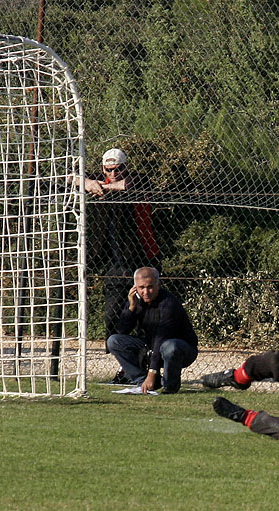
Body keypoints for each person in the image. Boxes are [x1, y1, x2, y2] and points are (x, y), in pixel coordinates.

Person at [85, 148, 162, 384]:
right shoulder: (94, 181)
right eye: (109, 169)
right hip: (112, 263)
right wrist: (86, 182)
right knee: (113, 315)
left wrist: (102, 187)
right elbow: (65, 178)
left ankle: (146, 369)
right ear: (102, 169)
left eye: (118, 169)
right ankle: (126, 366)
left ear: (125, 167)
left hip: (141, 258)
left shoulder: (139, 179)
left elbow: (129, 185)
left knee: (146, 318)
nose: (114, 173)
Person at [106, 267, 198, 394]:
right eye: (141, 287)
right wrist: (131, 308)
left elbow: (161, 338)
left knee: (169, 346)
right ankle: (142, 382)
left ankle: (170, 386)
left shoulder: (169, 303)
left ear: (158, 284)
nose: (146, 292)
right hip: (150, 345)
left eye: (150, 287)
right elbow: (122, 331)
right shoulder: (136, 300)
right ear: (135, 287)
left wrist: (152, 373)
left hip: (179, 348)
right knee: (114, 341)